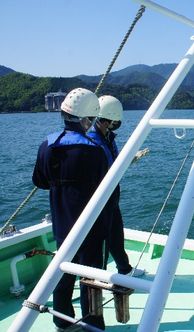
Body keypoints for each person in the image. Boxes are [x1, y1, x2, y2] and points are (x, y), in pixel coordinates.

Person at [32, 88, 109, 331]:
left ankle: (62, 321)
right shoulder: (95, 150)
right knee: (91, 277)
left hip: (62, 224)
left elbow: (40, 182)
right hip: (92, 227)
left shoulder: (48, 145)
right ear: (86, 120)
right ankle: (92, 324)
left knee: (63, 275)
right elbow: (104, 187)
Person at [87, 95, 146, 276]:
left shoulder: (108, 138)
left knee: (116, 234)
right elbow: (102, 169)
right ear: (104, 120)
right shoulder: (93, 141)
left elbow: (114, 162)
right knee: (102, 239)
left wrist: (129, 160)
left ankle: (124, 269)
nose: (115, 124)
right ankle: (99, 276)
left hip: (112, 193)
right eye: (113, 121)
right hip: (99, 196)